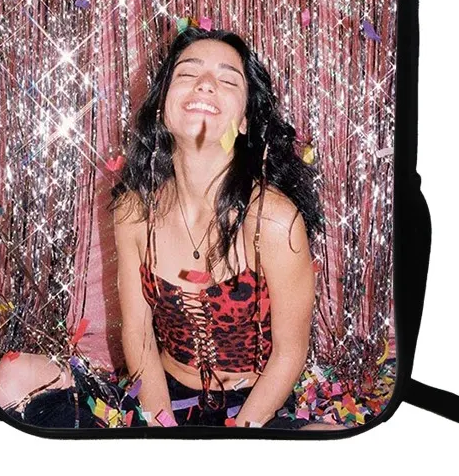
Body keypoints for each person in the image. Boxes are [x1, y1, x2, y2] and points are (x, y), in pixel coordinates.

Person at [111, 25, 323, 428]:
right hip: (161, 398)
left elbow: (290, 354)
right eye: (188, 73)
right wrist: (161, 430)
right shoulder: (133, 211)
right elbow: (138, 336)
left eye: (227, 80)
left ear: (244, 121)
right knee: (18, 376)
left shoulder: (275, 220)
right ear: (161, 107)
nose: (205, 84)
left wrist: (237, 444)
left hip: (255, 408)